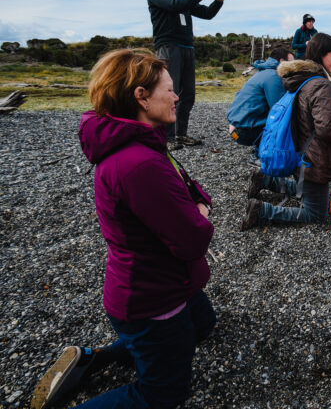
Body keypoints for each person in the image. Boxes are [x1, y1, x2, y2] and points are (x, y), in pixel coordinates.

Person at [32, 49, 216, 409]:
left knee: (203, 324)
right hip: (152, 298)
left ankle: (95, 358)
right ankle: (132, 354)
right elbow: (193, 239)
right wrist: (201, 213)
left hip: (159, 283)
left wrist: (197, 204)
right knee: (163, 394)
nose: (176, 96)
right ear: (141, 96)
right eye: (169, 89)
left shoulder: (141, 144)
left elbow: (189, 189)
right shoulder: (138, 163)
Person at [240, 33, 331, 229]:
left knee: (315, 192)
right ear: (321, 55)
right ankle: (262, 211)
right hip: (314, 158)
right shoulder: (320, 84)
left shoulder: (303, 79)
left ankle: (265, 180)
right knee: (315, 213)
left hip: (300, 152)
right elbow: (326, 129)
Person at [144, 0, 226, 150]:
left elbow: (207, 14)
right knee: (168, 92)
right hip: (168, 47)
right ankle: (167, 137)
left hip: (187, 47)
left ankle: (181, 134)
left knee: (187, 93)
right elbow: (174, 5)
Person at [227, 47, 294, 166]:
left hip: (236, 126)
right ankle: (259, 156)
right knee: (284, 123)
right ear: (282, 61)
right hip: (242, 131)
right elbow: (279, 109)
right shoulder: (273, 77)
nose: (294, 67)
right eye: (292, 63)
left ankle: (260, 147)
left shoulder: (263, 72)